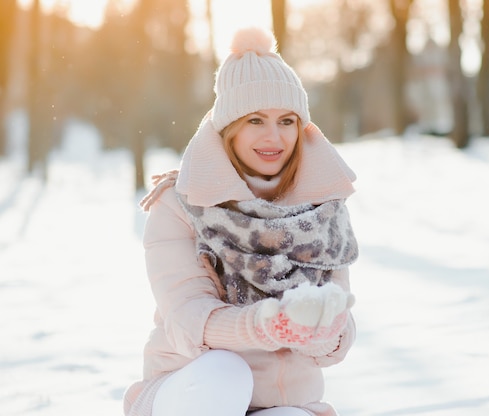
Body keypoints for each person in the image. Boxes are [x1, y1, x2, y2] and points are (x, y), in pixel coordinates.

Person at [123, 27, 359, 416]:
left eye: (287, 121)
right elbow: (188, 319)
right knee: (226, 374)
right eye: (255, 120)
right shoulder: (182, 204)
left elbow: (338, 345)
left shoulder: (324, 211)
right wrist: (269, 326)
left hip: (282, 401)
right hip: (193, 390)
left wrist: (323, 328)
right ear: (229, 127)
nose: (274, 137)